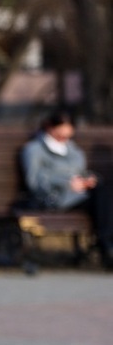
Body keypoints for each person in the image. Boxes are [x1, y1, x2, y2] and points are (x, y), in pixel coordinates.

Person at [21, 109, 113, 267]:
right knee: (103, 197)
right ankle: (107, 245)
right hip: (54, 197)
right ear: (50, 127)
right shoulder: (34, 150)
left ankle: (107, 244)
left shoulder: (73, 150)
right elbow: (34, 181)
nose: (64, 137)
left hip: (79, 196)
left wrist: (89, 180)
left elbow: (81, 172)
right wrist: (66, 183)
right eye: (61, 132)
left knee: (104, 191)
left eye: (68, 133)